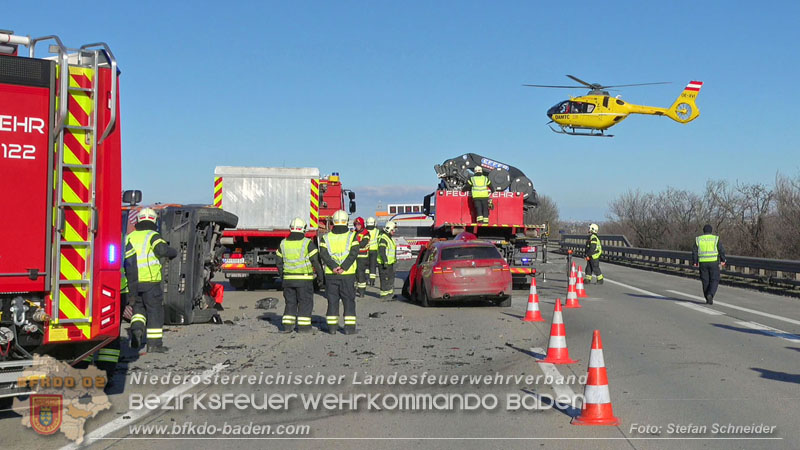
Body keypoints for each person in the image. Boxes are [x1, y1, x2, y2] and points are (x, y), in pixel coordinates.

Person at [124, 208, 178, 353]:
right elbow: (162, 250)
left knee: (138, 310)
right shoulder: (153, 235)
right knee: (155, 312)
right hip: (150, 283)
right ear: (154, 221)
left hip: (133, 283)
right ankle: (154, 344)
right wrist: (173, 252)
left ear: (138, 220)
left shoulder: (129, 237)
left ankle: (136, 330)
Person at [276, 217, 323, 333]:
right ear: (303, 229)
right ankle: (304, 327)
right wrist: (321, 277)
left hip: (288, 279)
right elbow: (316, 262)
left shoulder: (283, 243)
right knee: (305, 302)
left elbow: (278, 263)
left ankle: (287, 326)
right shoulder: (307, 243)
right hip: (304, 280)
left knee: (290, 303)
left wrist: (283, 276)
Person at [319, 210, 360, 334]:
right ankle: (349, 329)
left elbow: (324, 254)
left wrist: (333, 267)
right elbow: (354, 253)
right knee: (348, 301)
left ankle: (332, 328)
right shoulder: (352, 236)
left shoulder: (326, 237)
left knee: (332, 300)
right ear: (346, 221)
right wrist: (344, 267)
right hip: (347, 274)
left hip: (331, 274)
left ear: (333, 222)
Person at [692, 224, 726, 305]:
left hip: (703, 263)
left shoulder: (699, 239)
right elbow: (721, 250)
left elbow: (694, 251)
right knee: (715, 279)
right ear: (711, 231)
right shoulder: (715, 239)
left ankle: (707, 298)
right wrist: (723, 259)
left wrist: (695, 262)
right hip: (713, 262)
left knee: (705, 280)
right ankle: (710, 294)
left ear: (704, 231)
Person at [377, 221, 398, 299]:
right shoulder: (384, 238)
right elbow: (382, 250)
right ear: (388, 230)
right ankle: (384, 295)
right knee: (385, 279)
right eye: (393, 230)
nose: (394, 232)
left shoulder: (389, 238)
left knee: (390, 278)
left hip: (389, 263)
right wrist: (385, 261)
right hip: (384, 263)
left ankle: (389, 294)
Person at [352, 217, 371, 297]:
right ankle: (354, 289)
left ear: (362, 225)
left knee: (360, 274)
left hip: (362, 257)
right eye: (356, 224)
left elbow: (363, 243)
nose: (357, 226)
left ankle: (362, 291)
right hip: (355, 256)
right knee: (354, 273)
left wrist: (354, 244)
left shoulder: (366, 233)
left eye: (359, 224)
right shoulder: (353, 233)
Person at [366, 217, 379, 287]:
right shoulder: (377, 231)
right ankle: (372, 282)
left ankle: (366, 279)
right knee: (373, 266)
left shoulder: (365, 231)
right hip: (374, 251)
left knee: (367, 266)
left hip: (366, 250)